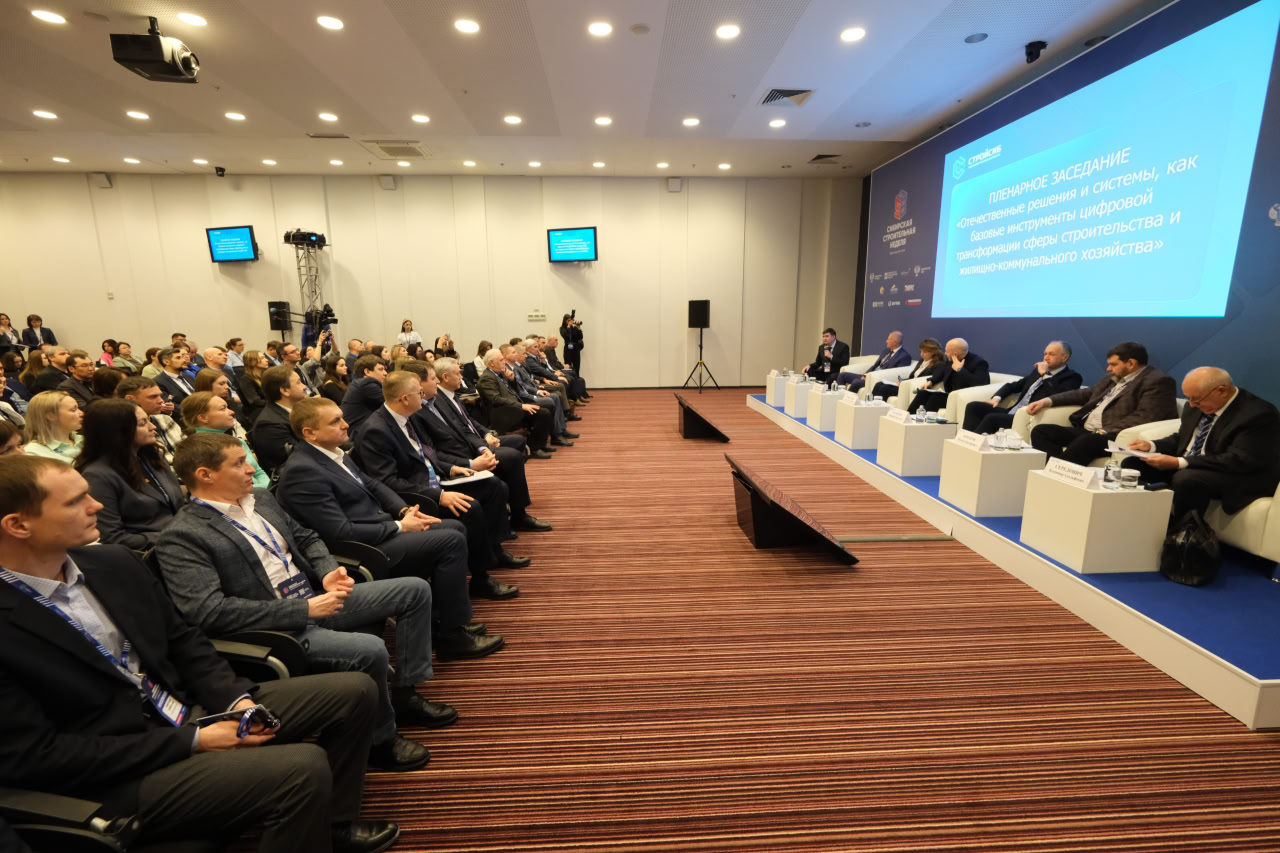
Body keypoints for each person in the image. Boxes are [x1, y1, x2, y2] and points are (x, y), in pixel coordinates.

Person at [0, 454, 398, 853]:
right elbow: (36, 756)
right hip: (116, 769)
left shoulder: (112, 563)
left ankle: (332, 826)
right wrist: (193, 741)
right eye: (75, 501)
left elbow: (185, 641)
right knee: (302, 768)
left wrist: (235, 699)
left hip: (185, 707)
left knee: (355, 691)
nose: (97, 506)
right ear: (18, 525)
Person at [158, 433, 445, 772]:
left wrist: (327, 572)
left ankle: (405, 694)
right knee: (370, 649)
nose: (251, 469)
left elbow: (307, 538)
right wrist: (303, 610)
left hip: (314, 596)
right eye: (239, 463)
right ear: (205, 475)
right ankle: (381, 741)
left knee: (414, 591)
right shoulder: (183, 535)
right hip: (277, 626)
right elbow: (209, 612)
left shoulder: (261, 498)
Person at [274, 398, 503, 659]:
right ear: (310, 433)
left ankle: (441, 621)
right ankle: (452, 638)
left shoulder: (333, 452)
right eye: (335, 421)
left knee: (454, 528)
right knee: (449, 540)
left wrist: (403, 510)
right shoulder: (302, 471)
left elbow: (372, 484)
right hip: (359, 550)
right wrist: (399, 526)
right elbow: (340, 532)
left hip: (377, 528)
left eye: (342, 417)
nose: (346, 424)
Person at [353, 371, 523, 601]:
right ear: (405, 398)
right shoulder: (376, 430)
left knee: (491, 486)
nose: (423, 397)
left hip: (434, 480)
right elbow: (387, 482)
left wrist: (452, 468)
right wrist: (439, 495)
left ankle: (493, 551)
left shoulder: (407, 417)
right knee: (469, 507)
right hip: (414, 496)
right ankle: (480, 578)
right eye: (419, 393)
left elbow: (427, 454)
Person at [1121, 367, 1280, 521]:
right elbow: (1183, 438)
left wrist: (1179, 462)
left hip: (1236, 473)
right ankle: (1144, 518)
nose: (1191, 404)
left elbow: (1239, 459)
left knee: (1186, 479)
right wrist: (1151, 446)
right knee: (1133, 464)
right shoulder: (1198, 406)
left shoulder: (1258, 414)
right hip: (1197, 464)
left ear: (1222, 391)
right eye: (1188, 398)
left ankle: (1182, 531)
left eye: (1196, 399)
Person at [415, 358, 549, 533]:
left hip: (470, 445)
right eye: (433, 379)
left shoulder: (438, 399)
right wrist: (472, 460)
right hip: (456, 459)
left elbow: (467, 424)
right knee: (511, 459)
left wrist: (484, 442)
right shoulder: (425, 407)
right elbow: (438, 448)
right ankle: (517, 515)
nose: (437, 382)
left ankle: (514, 508)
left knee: (515, 447)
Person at [1027, 341, 1178, 466]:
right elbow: (1086, 393)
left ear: (1131, 363)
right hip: (1089, 431)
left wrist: (1104, 430)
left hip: (1115, 435)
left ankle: (1056, 475)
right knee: (1041, 431)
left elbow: (1145, 417)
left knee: (1087, 441)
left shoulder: (1158, 381)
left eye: (1113, 364)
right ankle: (1058, 472)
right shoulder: (1114, 376)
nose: (1108, 368)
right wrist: (1048, 401)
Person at [74, 399, 182, 551]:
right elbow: (111, 537)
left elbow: (178, 506)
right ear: (118, 431)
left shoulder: (153, 456)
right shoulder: (98, 475)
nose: (152, 427)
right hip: (148, 553)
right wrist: (174, 538)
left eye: (149, 420)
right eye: (143, 423)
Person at [962, 341, 1082, 434]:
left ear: (1064, 358)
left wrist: (1045, 374)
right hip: (1012, 412)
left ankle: (972, 447)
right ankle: (965, 442)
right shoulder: (1037, 371)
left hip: (1029, 417)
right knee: (973, 406)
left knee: (991, 418)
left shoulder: (1072, 377)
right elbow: (1013, 386)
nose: (1046, 357)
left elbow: (1057, 395)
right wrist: (996, 398)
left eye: (1051, 354)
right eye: (1045, 354)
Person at [182, 391, 268, 488]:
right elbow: (226, 487)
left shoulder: (236, 441)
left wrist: (270, 489)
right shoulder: (198, 451)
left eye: (227, 407)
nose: (232, 412)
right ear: (203, 418)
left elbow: (258, 472)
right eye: (222, 409)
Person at [477, 349, 554, 456]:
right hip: (503, 414)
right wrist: (521, 406)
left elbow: (515, 391)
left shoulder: (499, 374)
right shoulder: (487, 378)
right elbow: (496, 399)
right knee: (543, 413)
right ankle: (534, 448)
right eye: (501, 360)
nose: (504, 362)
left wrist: (512, 380)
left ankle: (540, 443)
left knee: (547, 408)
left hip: (513, 407)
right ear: (492, 363)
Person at [905, 338, 990, 414]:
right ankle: (908, 417)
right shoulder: (951, 360)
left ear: (955, 354)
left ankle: (923, 422)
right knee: (923, 393)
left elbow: (981, 383)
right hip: (949, 394)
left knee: (936, 397)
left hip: (962, 397)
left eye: (947, 351)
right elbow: (942, 372)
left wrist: (960, 370)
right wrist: (931, 381)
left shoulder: (979, 362)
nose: (945, 353)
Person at [250, 365, 308, 475]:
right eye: (299, 383)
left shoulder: (299, 409)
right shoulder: (269, 425)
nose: (304, 387)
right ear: (285, 390)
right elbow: (299, 458)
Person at [117, 376, 182, 466]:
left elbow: (189, 447)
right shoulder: (131, 433)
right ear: (130, 399)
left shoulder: (165, 418)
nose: (161, 401)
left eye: (160, 395)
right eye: (153, 397)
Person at [837, 331, 912, 391]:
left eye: (888, 339)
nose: (886, 341)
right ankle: (840, 396)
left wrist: (871, 377)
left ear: (895, 342)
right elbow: (875, 365)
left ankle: (848, 401)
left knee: (856, 382)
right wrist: (865, 375)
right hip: (869, 376)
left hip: (878, 379)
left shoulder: (904, 356)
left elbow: (897, 374)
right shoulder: (886, 350)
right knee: (842, 375)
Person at [22, 391, 82, 462]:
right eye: (73, 410)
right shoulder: (33, 453)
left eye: (78, 408)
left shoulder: (83, 440)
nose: (81, 413)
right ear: (51, 416)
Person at [341, 354, 389, 434]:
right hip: (358, 434)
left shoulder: (359, 383)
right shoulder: (366, 384)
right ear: (367, 371)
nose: (385, 373)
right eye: (381, 369)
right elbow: (394, 403)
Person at [154, 347, 196, 423]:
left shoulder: (188, 376)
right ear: (166, 362)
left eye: (183, 357)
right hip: (184, 420)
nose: (184, 360)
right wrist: (196, 409)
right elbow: (169, 406)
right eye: (178, 358)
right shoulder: (157, 382)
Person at [238, 349, 270, 426]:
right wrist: (275, 403)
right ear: (252, 362)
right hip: (257, 413)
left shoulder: (264, 376)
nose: (267, 360)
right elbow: (255, 401)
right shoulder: (246, 379)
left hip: (267, 409)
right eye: (262, 358)